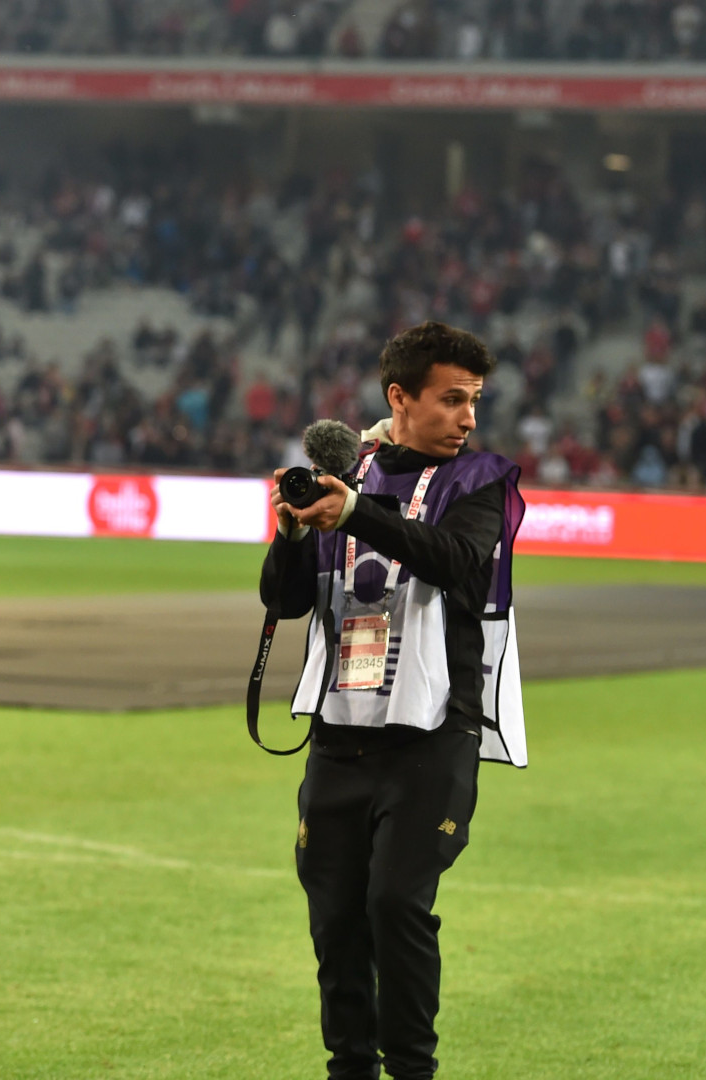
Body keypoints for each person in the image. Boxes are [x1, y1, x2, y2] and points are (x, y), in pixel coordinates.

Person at [261, 321, 527, 1080]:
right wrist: (289, 530)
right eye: (452, 400)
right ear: (399, 398)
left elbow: (452, 558)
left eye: (473, 400)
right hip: (340, 742)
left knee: (395, 906)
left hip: (430, 742)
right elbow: (281, 603)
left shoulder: (482, 483)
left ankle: (412, 1071)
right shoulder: (352, 476)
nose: (469, 417)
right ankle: (349, 1070)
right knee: (337, 922)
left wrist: (353, 514)